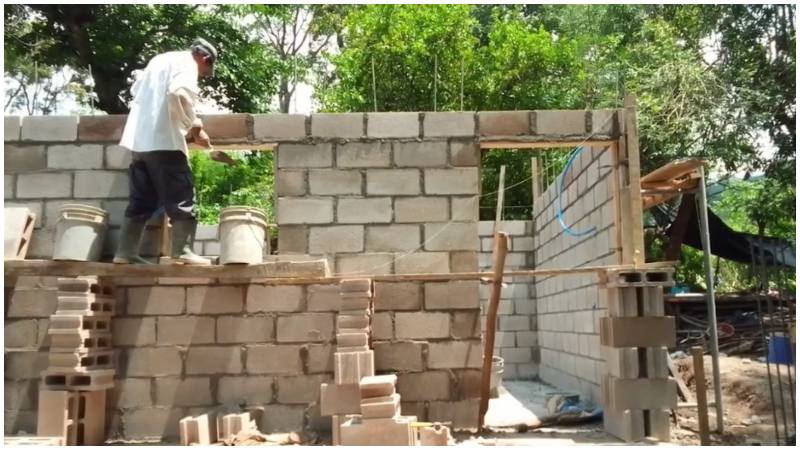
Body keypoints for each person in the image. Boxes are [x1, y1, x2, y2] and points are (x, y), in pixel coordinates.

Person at [113, 38, 219, 265]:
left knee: (142, 199)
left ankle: (125, 252)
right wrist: (193, 126)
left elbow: (138, 90)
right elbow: (178, 94)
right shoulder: (187, 64)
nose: (200, 74)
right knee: (181, 195)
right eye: (204, 71)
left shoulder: (160, 60)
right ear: (204, 58)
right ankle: (182, 251)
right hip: (164, 140)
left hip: (139, 141)